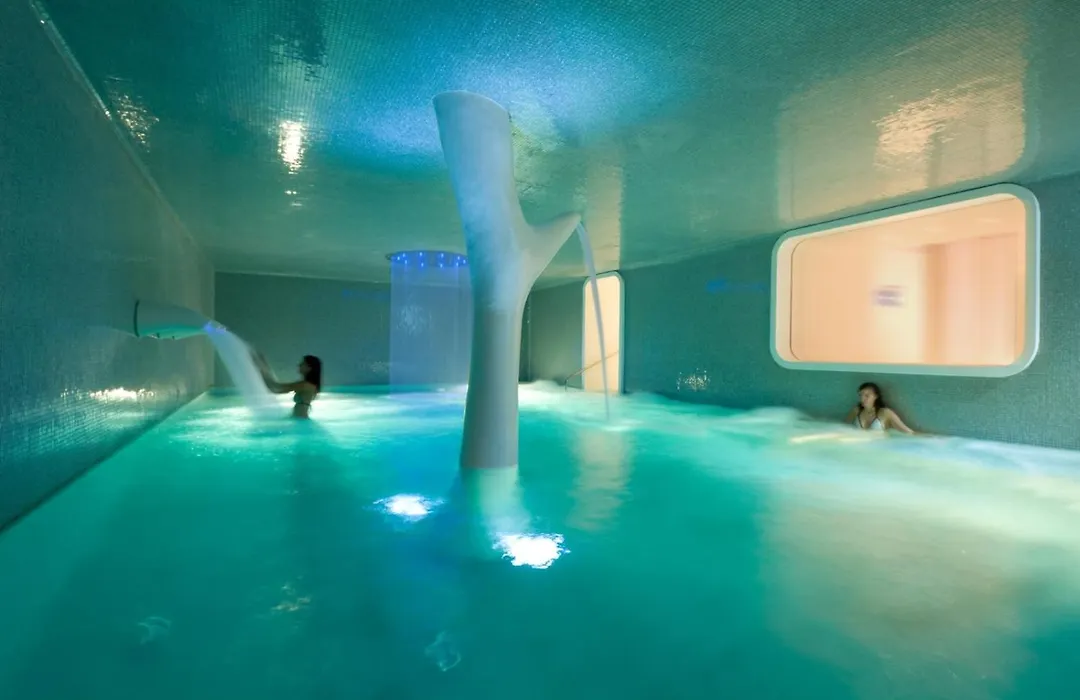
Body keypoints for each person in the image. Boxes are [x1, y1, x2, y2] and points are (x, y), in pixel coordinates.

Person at [252, 351, 322, 418]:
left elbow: (276, 388)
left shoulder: (305, 385)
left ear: (309, 368)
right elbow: (276, 388)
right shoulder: (308, 385)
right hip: (300, 418)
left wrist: (262, 367)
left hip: (300, 418)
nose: (299, 365)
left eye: (302, 364)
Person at [845, 382, 914, 434]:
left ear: (876, 396)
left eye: (867, 395)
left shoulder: (885, 413)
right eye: (861, 395)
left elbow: (907, 432)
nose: (862, 399)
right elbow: (843, 429)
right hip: (859, 447)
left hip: (879, 447)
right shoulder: (856, 411)